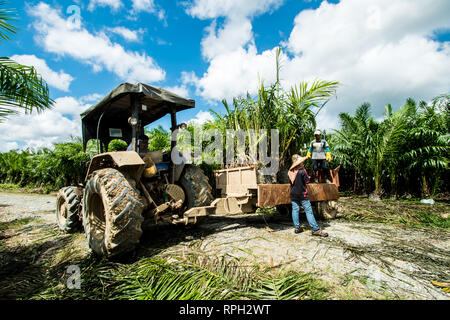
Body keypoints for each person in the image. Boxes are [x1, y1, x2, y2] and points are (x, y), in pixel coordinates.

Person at [288, 154, 328, 237]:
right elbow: (307, 181)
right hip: (302, 194)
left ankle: (297, 227)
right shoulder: (302, 171)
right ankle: (315, 229)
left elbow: (290, 183)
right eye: (302, 162)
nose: (303, 163)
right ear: (299, 163)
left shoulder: (290, 172)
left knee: (295, 210)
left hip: (293, 194)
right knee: (308, 211)